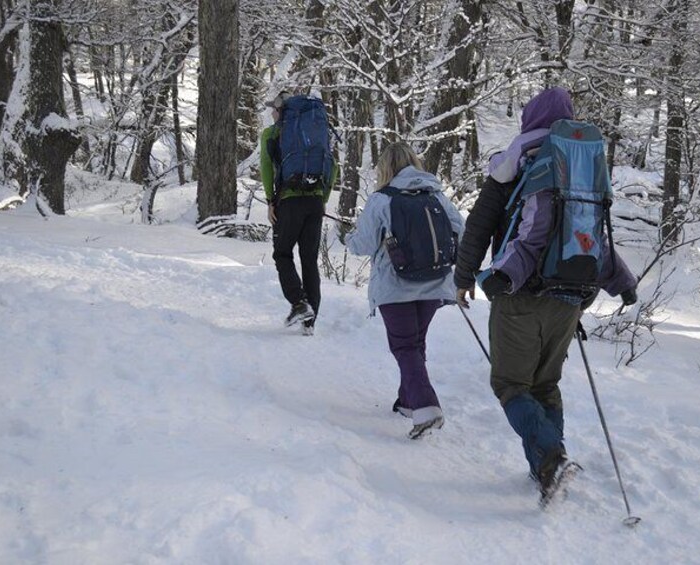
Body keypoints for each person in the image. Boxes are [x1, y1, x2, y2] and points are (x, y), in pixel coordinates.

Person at [453, 87, 638, 495]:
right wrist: (622, 282)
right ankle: (547, 467)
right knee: (545, 384)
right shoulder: (583, 167)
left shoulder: (513, 165)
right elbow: (595, 237)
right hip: (571, 297)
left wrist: (465, 276)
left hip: (519, 293)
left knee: (510, 384)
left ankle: (552, 458)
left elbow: (479, 227)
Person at [345, 142, 465, 439]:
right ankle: (408, 401)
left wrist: (350, 238)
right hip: (434, 283)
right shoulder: (435, 194)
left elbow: (362, 244)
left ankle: (426, 407)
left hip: (396, 286)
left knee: (405, 346)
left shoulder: (382, 199)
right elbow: (460, 229)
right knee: (415, 344)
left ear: (385, 167)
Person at [260, 90, 338, 335]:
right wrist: (322, 198)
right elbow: (333, 167)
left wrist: (271, 200)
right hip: (315, 201)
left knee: (282, 254)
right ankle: (309, 323)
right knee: (309, 260)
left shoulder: (272, 134)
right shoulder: (318, 135)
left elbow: (266, 169)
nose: (271, 112)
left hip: (289, 200)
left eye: (274, 108)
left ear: (281, 111)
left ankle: (298, 302)